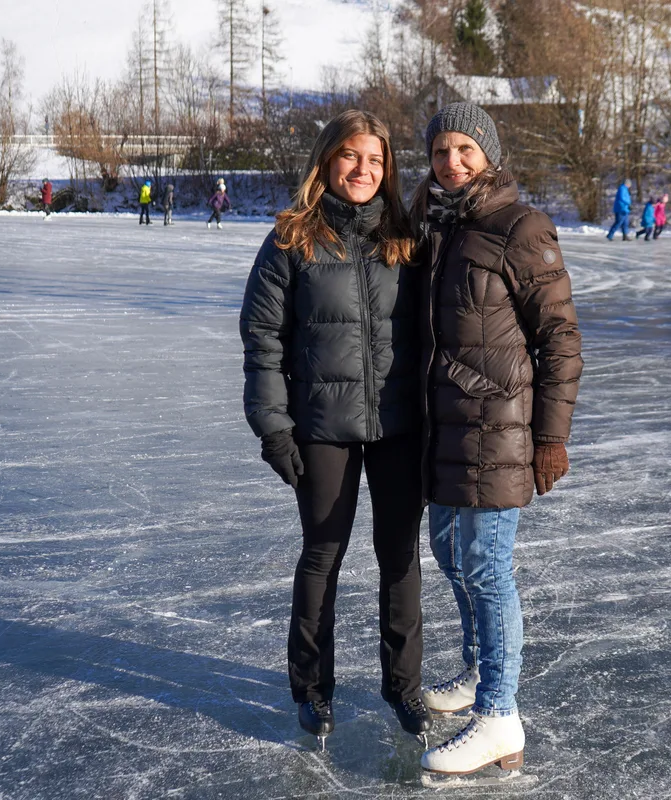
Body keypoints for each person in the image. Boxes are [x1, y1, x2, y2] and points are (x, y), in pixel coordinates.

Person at [239, 109, 431, 749]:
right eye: (352, 157)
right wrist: (274, 428)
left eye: (376, 161)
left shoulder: (405, 237)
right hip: (322, 428)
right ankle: (312, 690)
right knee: (323, 555)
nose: (363, 171)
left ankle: (403, 688)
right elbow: (262, 339)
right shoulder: (292, 240)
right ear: (327, 160)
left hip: (401, 427)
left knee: (400, 559)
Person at [411, 102, 583, 778]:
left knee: (485, 565)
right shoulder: (440, 228)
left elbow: (561, 342)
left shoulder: (521, 227)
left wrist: (551, 436)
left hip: (500, 429)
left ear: (488, 155)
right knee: (450, 552)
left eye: (464, 150)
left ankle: (499, 713)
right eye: (439, 152)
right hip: (446, 427)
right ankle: (482, 668)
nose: (451, 163)